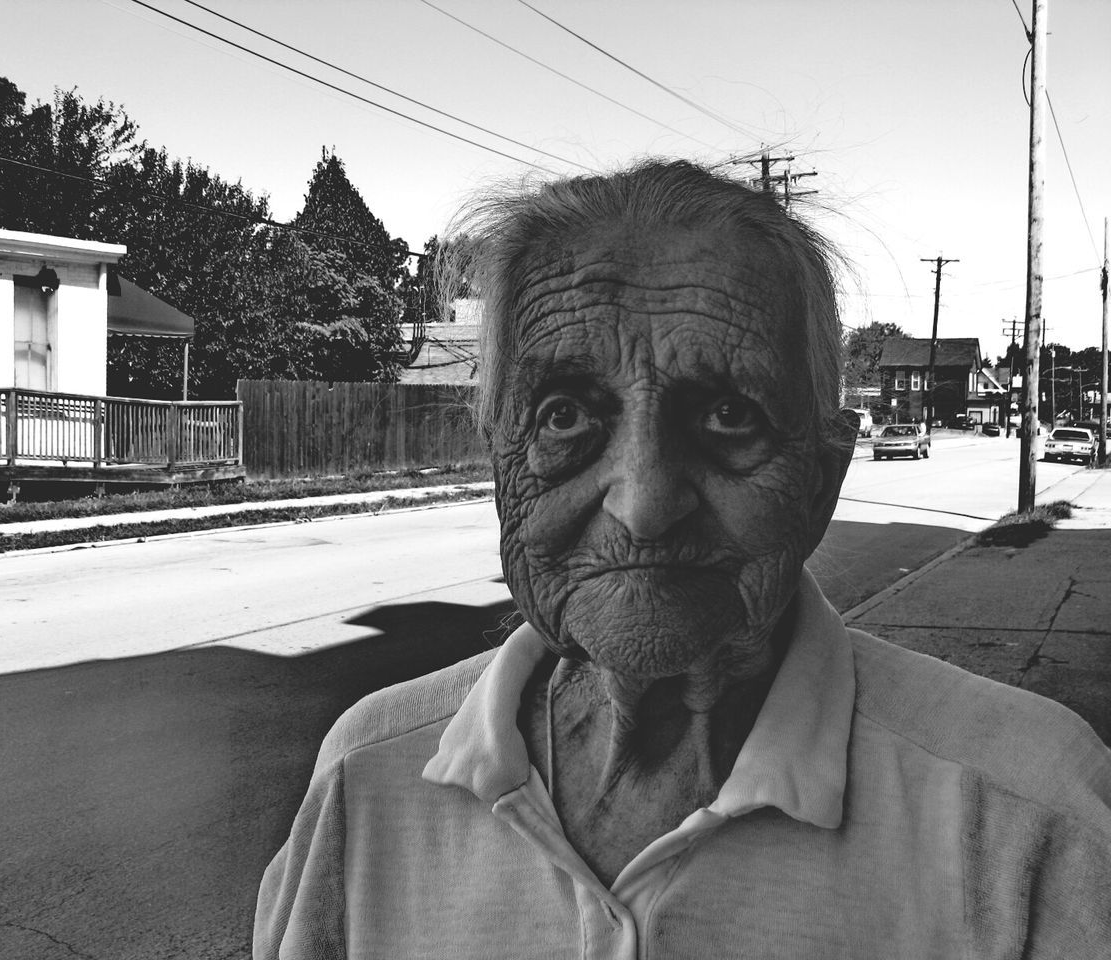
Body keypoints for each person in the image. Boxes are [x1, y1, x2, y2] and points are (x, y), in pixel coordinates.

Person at [254, 160, 1111, 959]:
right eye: (563, 416)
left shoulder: (1028, 815)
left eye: (729, 416)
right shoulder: (364, 783)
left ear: (820, 479)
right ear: (498, 464)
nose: (645, 502)